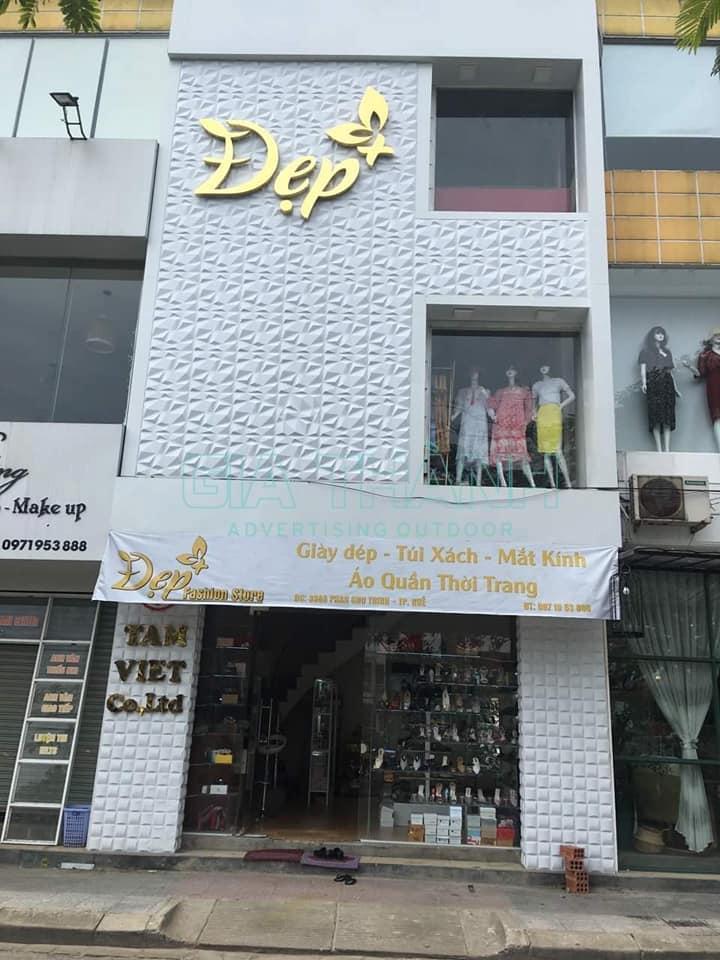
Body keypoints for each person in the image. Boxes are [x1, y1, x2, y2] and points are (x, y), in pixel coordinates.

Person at [639, 326, 680, 453]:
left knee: (667, 416)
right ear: (652, 335)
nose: (660, 335)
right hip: (653, 384)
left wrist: (675, 388)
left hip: (667, 385)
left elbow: (670, 372)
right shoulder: (645, 352)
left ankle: (667, 449)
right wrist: (644, 383)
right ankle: (659, 449)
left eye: (662, 333)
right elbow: (643, 369)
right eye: (658, 333)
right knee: (655, 416)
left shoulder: (667, 352)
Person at [684, 329, 720, 452]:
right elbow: (700, 373)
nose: (719, 338)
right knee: (717, 417)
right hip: (714, 387)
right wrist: (689, 367)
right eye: (716, 336)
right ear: (711, 339)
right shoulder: (705, 355)